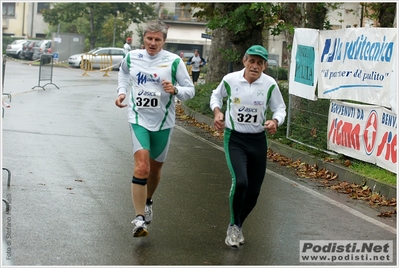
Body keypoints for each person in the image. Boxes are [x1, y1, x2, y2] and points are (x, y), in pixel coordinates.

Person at [115, 20, 195, 237]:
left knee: (155, 170)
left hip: (163, 122)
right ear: (144, 39)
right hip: (138, 117)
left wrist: (175, 89)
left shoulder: (174, 61)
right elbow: (123, 73)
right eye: (149, 39)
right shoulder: (132, 57)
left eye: (157, 40)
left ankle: (149, 200)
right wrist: (122, 92)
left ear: (164, 41)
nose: (152, 43)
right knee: (142, 167)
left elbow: (190, 90)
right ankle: (139, 219)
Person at [210, 45, 286, 248]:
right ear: (244, 61)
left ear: (264, 66)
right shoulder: (230, 79)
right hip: (234, 138)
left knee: (254, 192)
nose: (255, 66)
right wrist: (218, 113)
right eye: (251, 61)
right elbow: (216, 96)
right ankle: (233, 226)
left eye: (259, 63)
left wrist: (275, 121)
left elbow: (280, 108)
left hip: (257, 141)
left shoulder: (269, 84)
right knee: (241, 182)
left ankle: (238, 225)